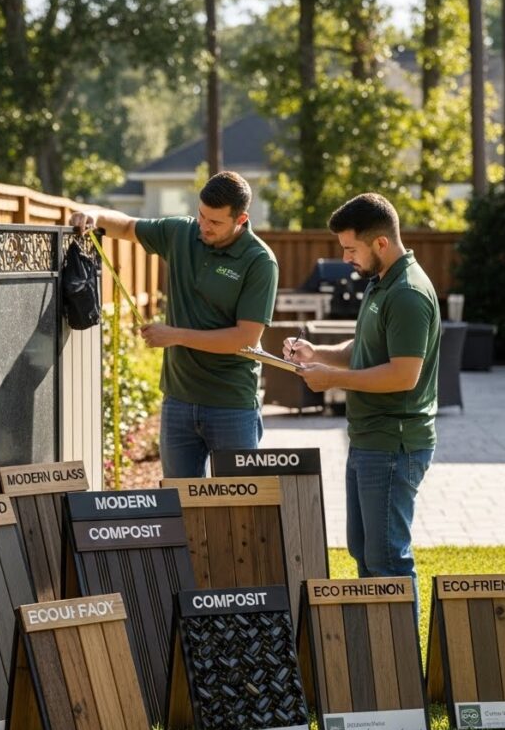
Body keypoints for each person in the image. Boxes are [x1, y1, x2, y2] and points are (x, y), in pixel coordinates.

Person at [283, 192, 440, 619]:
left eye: (351, 249)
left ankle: (401, 670)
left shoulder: (407, 293)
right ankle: (376, 660)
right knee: (365, 556)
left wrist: (331, 380)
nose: (346, 258)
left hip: (394, 445)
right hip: (370, 442)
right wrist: (318, 354)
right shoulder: (380, 282)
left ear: (381, 243)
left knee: (387, 561)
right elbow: (367, 349)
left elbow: (402, 375)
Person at [70, 171, 279, 477]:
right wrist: (94, 215)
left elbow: (244, 338)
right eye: (202, 215)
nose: (204, 227)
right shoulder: (181, 232)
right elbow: (128, 226)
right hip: (178, 400)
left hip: (231, 404)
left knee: (239, 511)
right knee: (180, 506)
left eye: (215, 222)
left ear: (241, 218)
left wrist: (176, 336)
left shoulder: (259, 261)